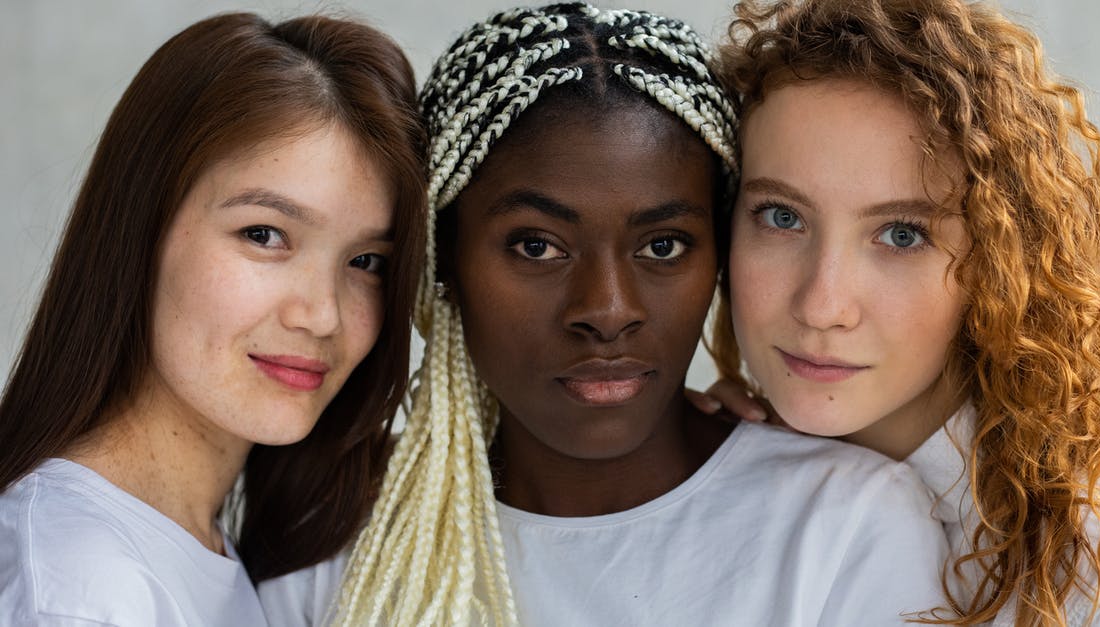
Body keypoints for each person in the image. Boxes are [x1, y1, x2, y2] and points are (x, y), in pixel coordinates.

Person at [258, 3, 949, 626]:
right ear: (443, 259)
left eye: (662, 245)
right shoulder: (335, 545)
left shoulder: (845, 525)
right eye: (537, 246)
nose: (608, 311)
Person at [699, 0, 1100, 624]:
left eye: (902, 234)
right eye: (782, 217)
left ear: (1001, 260)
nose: (822, 305)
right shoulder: (739, 466)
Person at [0, 12, 426, 626]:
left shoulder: (197, 544)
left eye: (365, 260)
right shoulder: (82, 593)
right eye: (265, 234)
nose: (323, 315)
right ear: (140, 230)